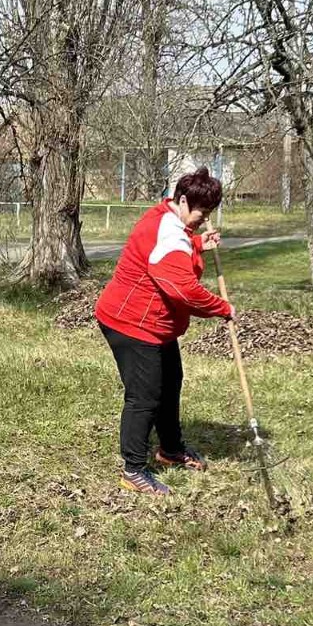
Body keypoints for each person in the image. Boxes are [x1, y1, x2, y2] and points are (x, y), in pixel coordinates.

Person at [94, 167, 235, 496]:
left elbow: (171, 255)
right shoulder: (168, 231)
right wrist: (222, 308)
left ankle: (170, 450)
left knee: (170, 382)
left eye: (210, 214)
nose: (204, 218)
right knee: (144, 396)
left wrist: (198, 243)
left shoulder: (172, 221)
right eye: (202, 213)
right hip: (131, 322)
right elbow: (183, 290)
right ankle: (133, 470)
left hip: (156, 324)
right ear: (183, 201)